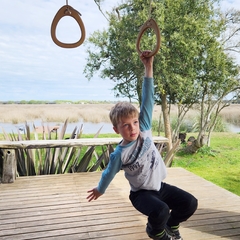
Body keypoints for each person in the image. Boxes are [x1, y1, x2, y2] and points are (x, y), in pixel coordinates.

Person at [87, 50, 198, 240]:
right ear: (116, 130)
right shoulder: (119, 154)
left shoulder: (144, 128)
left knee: (190, 203)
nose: (132, 128)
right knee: (161, 210)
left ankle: (172, 225)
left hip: (159, 187)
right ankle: (156, 232)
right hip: (141, 195)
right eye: (126, 126)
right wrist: (100, 189)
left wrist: (149, 67)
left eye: (135, 123)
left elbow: (148, 98)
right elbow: (108, 173)